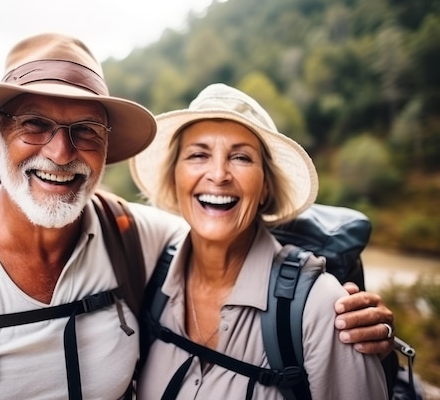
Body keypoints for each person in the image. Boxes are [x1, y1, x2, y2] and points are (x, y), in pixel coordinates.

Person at [0, 34, 393, 400]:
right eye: (34, 124)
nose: (60, 153)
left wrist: (336, 303)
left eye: (85, 130)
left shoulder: (132, 236)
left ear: (106, 147)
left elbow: (227, 228)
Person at [130, 83, 389, 399]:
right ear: (175, 177)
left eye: (240, 157)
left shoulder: (320, 307)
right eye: (198, 154)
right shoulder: (151, 279)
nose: (219, 174)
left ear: (265, 187)